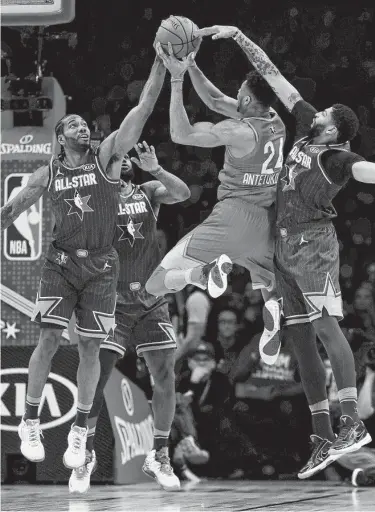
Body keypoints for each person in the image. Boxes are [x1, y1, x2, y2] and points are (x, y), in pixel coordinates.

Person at [197, 24, 375, 478]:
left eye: (327, 113)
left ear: (333, 129)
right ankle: (322, 435)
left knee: (326, 326)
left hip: (313, 245)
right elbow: (272, 75)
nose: (319, 112)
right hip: (283, 243)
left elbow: (370, 171)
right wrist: (239, 37)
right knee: (298, 340)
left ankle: (351, 422)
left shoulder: (337, 158)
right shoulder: (304, 125)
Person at [0, 54, 166, 470]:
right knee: (50, 340)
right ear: (59, 137)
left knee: (91, 348)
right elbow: (10, 211)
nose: (82, 127)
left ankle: (78, 432)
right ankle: (31, 420)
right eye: (72, 124)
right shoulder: (47, 173)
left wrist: (163, 67)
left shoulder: (107, 157)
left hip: (101, 268)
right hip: (60, 264)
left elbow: (141, 110)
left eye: (83, 124)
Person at [146, 41, 287, 365]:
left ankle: (200, 275)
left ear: (248, 99)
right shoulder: (275, 120)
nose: (235, 95)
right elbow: (212, 99)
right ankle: (272, 318)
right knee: (267, 284)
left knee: (155, 284)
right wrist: (192, 66)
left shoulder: (239, 131)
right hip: (265, 225)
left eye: (239, 91)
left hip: (232, 219)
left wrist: (177, 79)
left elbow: (181, 134)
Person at [68, 142, 190, 493]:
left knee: (165, 374)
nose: (121, 163)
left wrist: (157, 168)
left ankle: (160, 454)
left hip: (151, 298)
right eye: (114, 158)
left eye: (125, 160)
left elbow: (183, 193)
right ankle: (86, 453)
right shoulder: (92, 194)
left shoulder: (148, 191)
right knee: (99, 375)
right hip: (111, 299)